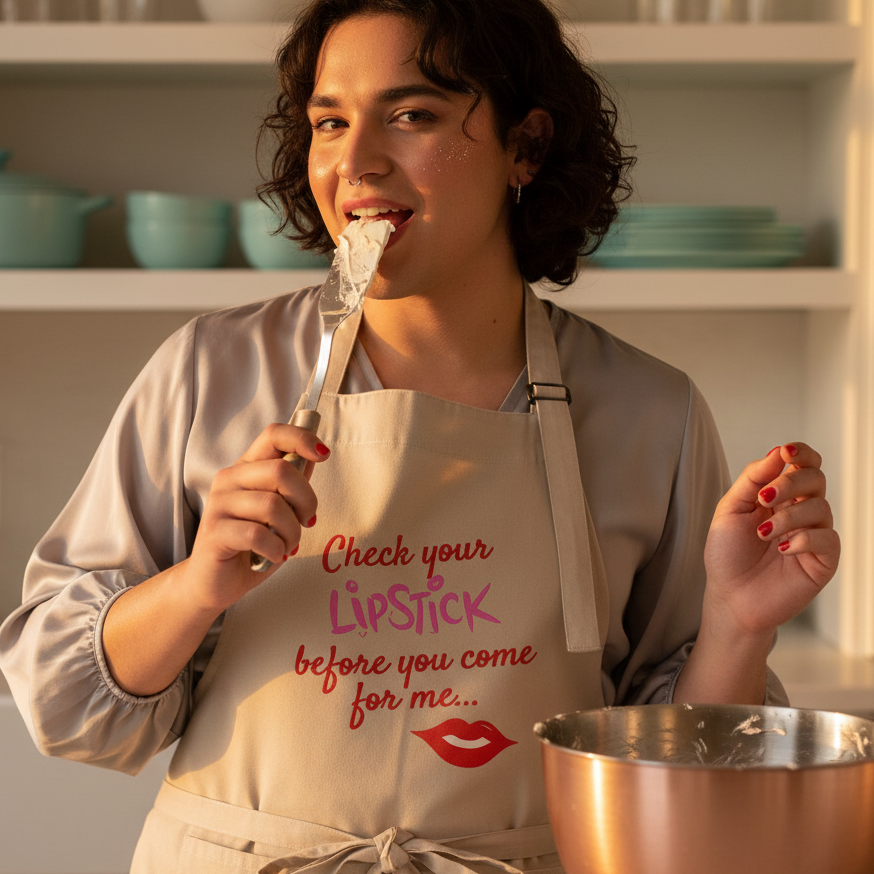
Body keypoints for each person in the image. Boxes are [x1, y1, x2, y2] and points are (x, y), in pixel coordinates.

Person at [0, 0, 839, 871]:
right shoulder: (209, 372)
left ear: (528, 146)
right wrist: (196, 585)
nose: (354, 163)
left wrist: (740, 628)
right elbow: (65, 709)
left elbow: (672, 777)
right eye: (330, 122)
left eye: (412, 115)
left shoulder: (649, 411)